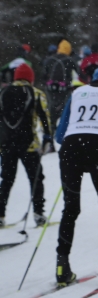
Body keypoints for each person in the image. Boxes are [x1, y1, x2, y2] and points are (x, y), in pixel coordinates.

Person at [53, 64, 98, 285]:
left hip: (72, 146)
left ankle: (61, 265)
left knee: (71, 207)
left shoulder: (78, 92)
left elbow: (59, 134)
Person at [0, 63, 51, 227]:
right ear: (30, 78)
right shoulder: (35, 93)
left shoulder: (3, 92)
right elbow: (44, 116)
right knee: (35, 178)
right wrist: (48, 137)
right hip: (28, 143)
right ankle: (38, 213)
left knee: (6, 179)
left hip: (6, 144)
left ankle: (0, 215)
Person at [44, 40, 80, 127]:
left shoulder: (50, 59)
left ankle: (51, 125)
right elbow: (79, 74)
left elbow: (44, 74)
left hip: (51, 87)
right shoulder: (70, 60)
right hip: (64, 87)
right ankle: (63, 126)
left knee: (52, 105)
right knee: (64, 107)